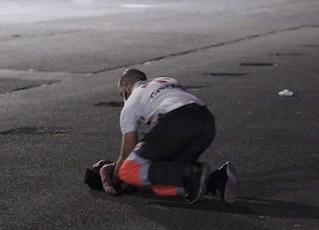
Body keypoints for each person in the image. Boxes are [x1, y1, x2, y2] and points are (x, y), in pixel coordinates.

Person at [100, 68, 236, 204]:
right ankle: (217, 180)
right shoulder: (166, 80)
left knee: (128, 170)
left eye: (121, 93)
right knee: (164, 181)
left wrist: (115, 181)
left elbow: (126, 155)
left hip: (176, 121)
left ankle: (192, 172)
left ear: (127, 86)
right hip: (206, 122)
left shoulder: (130, 104)